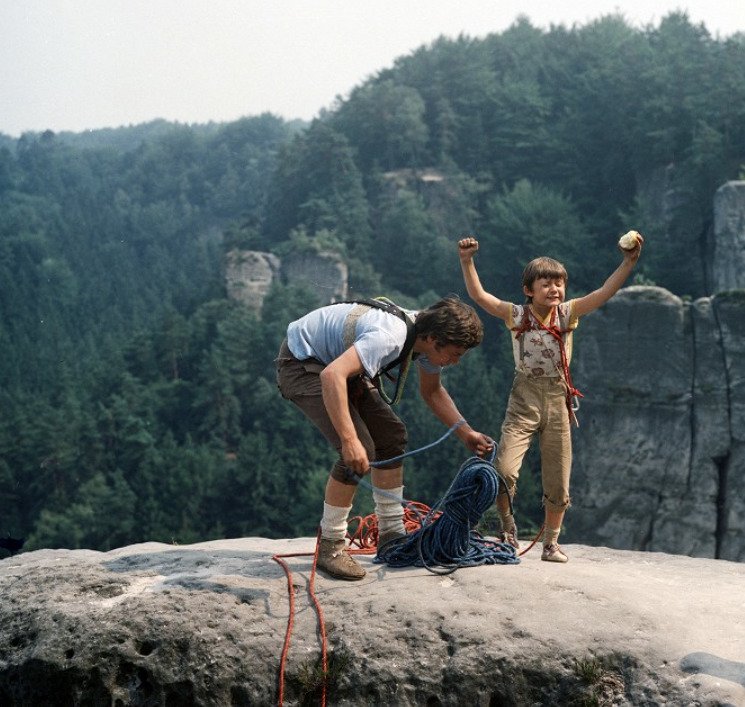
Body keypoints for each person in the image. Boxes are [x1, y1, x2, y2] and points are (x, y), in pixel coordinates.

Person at [275, 296, 494, 580]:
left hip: (335, 363)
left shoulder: (424, 342)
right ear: (433, 339)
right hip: (303, 364)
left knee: (391, 435)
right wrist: (350, 440)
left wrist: (466, 433)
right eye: (455, 354)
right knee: (357, 449)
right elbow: (332, 376)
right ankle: (330, 546)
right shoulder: (390, 337)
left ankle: (391, 533)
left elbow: (433, 392)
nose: (455, 361)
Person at [457, 233, 643, 562]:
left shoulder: (568, 313)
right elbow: (480, 296)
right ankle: (508, 530)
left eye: (559, 283)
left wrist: (628, 262)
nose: (555, 290)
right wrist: (467, 260)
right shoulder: (516, 315)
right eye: (546, 284)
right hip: (524, 398)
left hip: (558, 400)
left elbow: (603, 293)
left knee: (558, 479)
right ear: (529, 290)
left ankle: (551, 543)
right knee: (504, 470)